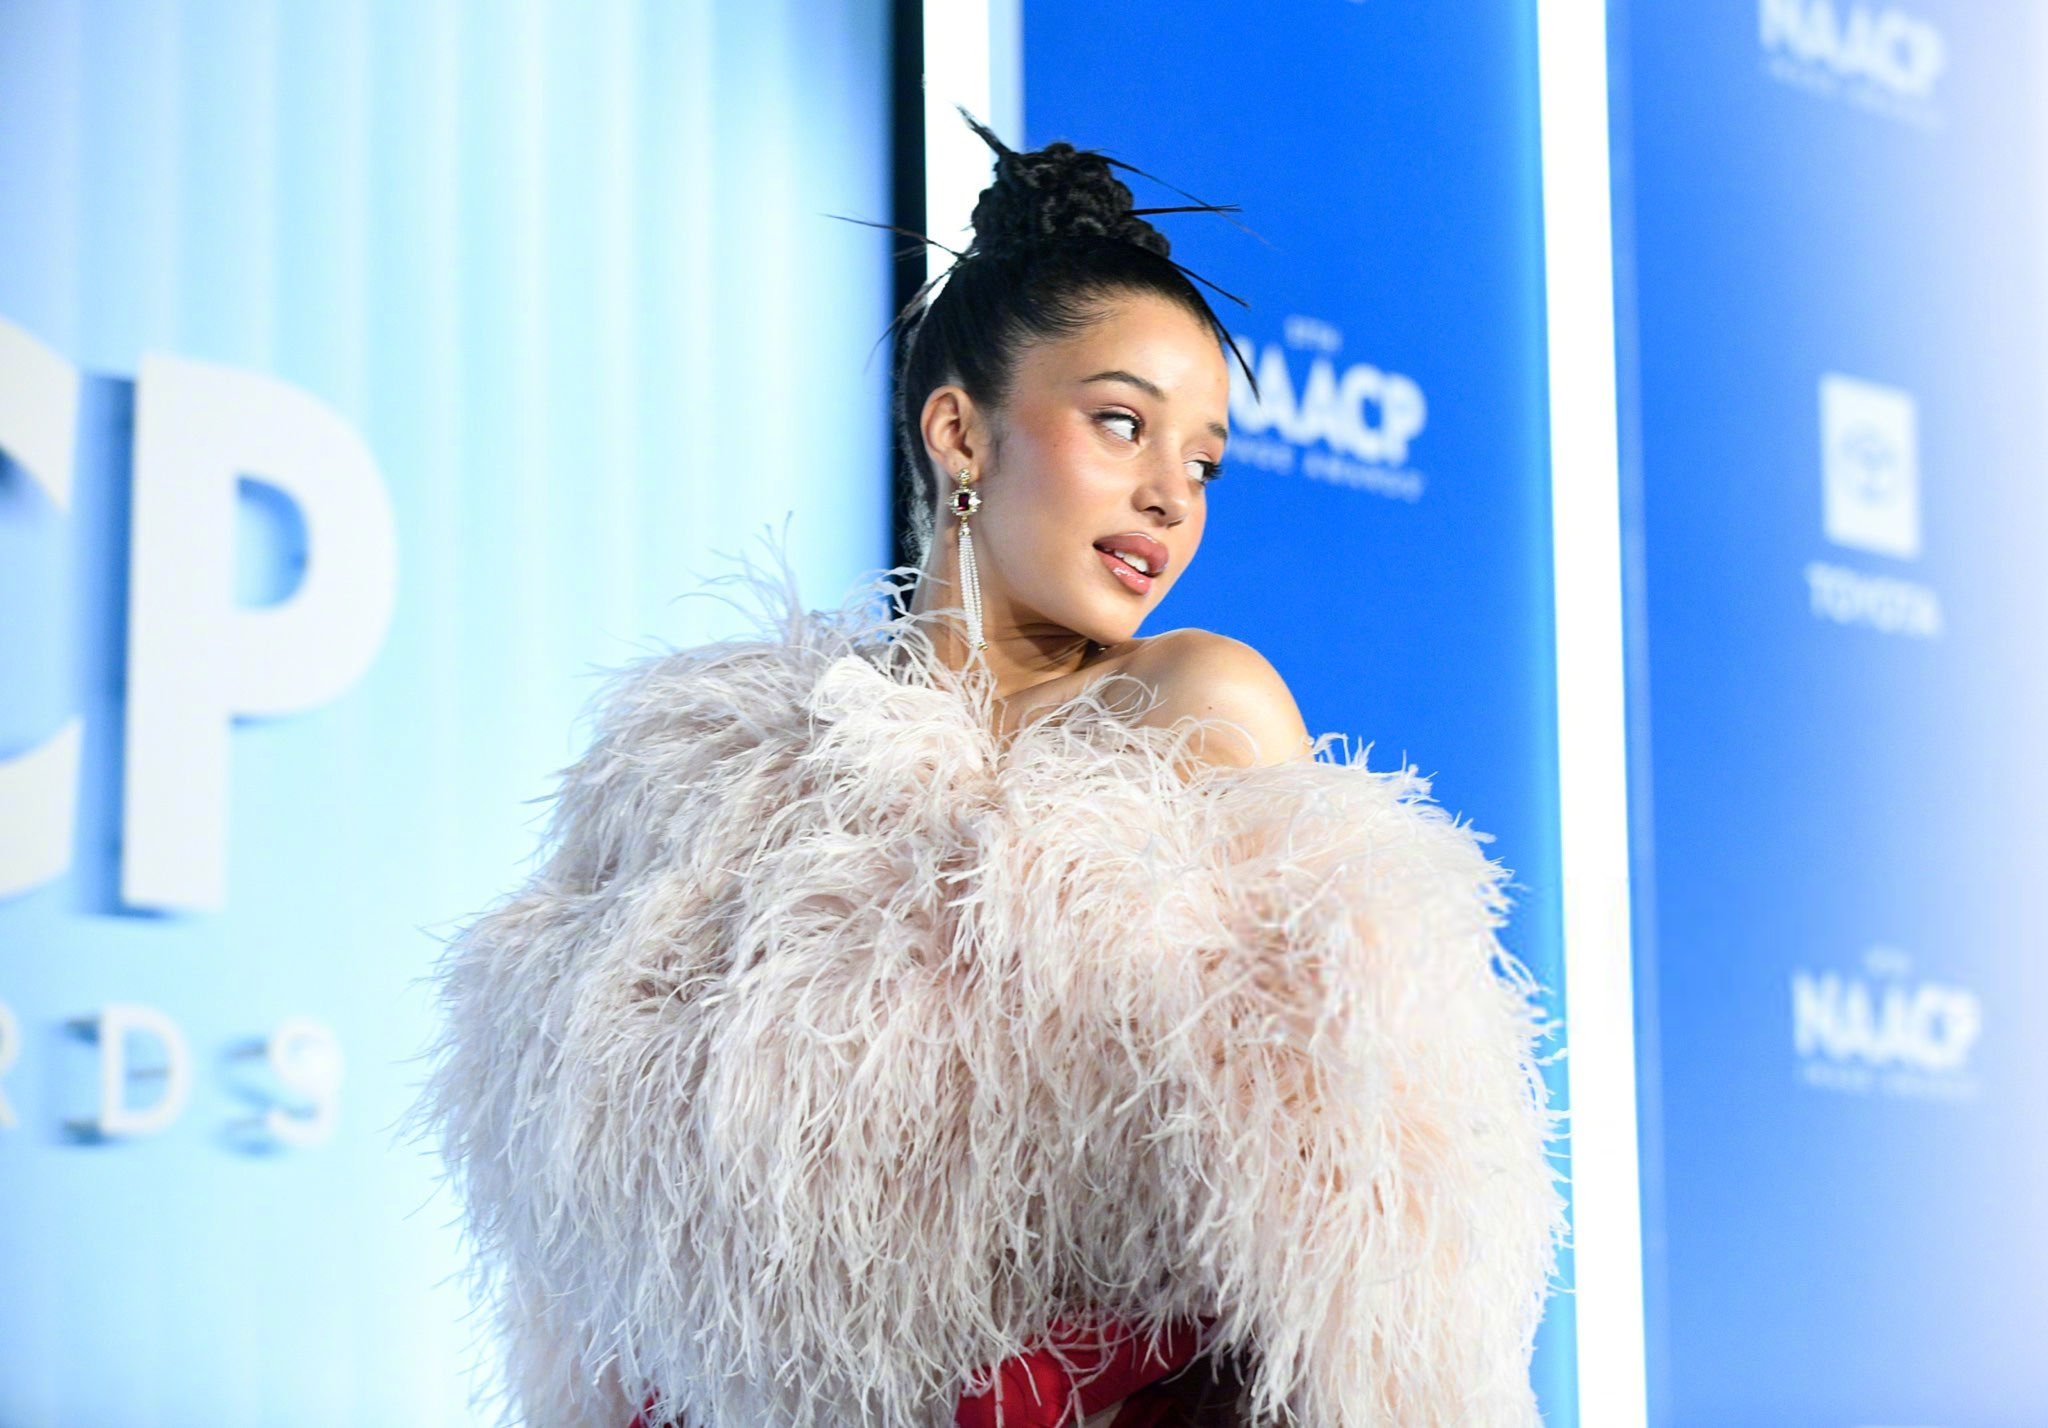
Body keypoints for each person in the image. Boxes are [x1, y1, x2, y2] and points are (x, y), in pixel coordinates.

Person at [415, 113, 1568, 1428]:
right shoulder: (720, 764)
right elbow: (607, 1245)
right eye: (1122, 424)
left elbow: (1333, 1222)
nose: (1172, 496)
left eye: (1202, 462)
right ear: (961, 433)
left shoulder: (1198, 705)